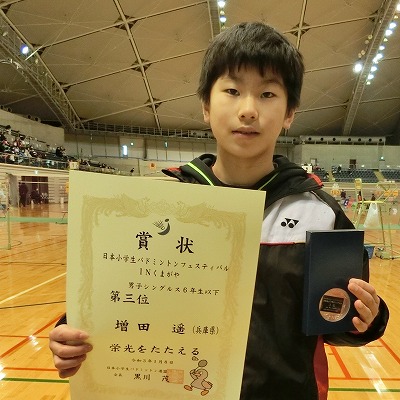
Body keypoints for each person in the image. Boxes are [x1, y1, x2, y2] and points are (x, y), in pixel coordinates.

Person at [49, 22, 389, 399]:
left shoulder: (321, 215)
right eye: (232, 91)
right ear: (206, 107)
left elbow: (336, 321)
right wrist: (72, 335)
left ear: (289, 112)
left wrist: (366, 318)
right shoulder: (157, 205)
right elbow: (118, 297)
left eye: (267, 94)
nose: (248, 110)